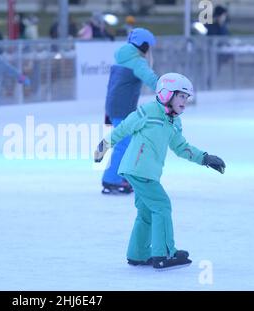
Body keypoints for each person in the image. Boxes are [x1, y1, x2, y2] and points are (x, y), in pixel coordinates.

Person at [94, 73, 226, 270]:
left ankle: (138, 254)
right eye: (181, 96)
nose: (185, 101)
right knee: (162, 205)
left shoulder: (174, 122)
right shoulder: (147, 112)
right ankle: (164, 254)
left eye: (187, 97)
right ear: (166, 94)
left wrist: (205, 158)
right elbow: (123, 129)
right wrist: (103, 146)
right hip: (138, 169)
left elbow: (181, 147)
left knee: (147, 211)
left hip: (145, 172)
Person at [101, 28, 159, 195]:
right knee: (124, 144)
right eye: (149, 46)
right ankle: (111, 179)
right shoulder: (136, 61)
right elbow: (151, 79)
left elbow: (112, 86)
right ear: (144, 45)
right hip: (123, 109)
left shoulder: (122, 58)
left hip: (114, 107)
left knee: (130, 142)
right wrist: (169, 90)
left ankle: (122, 175)